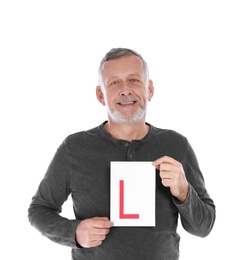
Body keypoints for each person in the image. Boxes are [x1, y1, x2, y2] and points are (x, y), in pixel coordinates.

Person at [28, 48, 216, 260]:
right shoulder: (74, 147)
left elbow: (203, 227)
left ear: (150, 89)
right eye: (114, 82)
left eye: (134, 80)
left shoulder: (176, 145)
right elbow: (39, 210)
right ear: (101, 95)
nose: (125, 90)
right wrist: (74, 232)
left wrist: (184, 192)